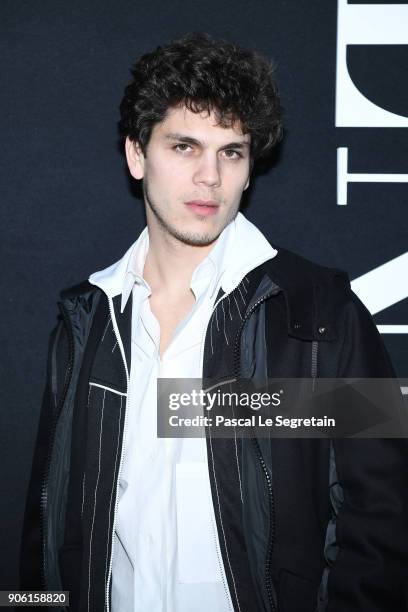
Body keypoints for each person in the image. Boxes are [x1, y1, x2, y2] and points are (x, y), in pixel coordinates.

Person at [20, 33, 407, 612]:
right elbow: (48, 525)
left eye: (231, 152)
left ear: (250, 169)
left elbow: (385, 516)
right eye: (184, 147)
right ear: (136, 154)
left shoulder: (321, 310)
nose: (210, 177)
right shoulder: (87, 318)